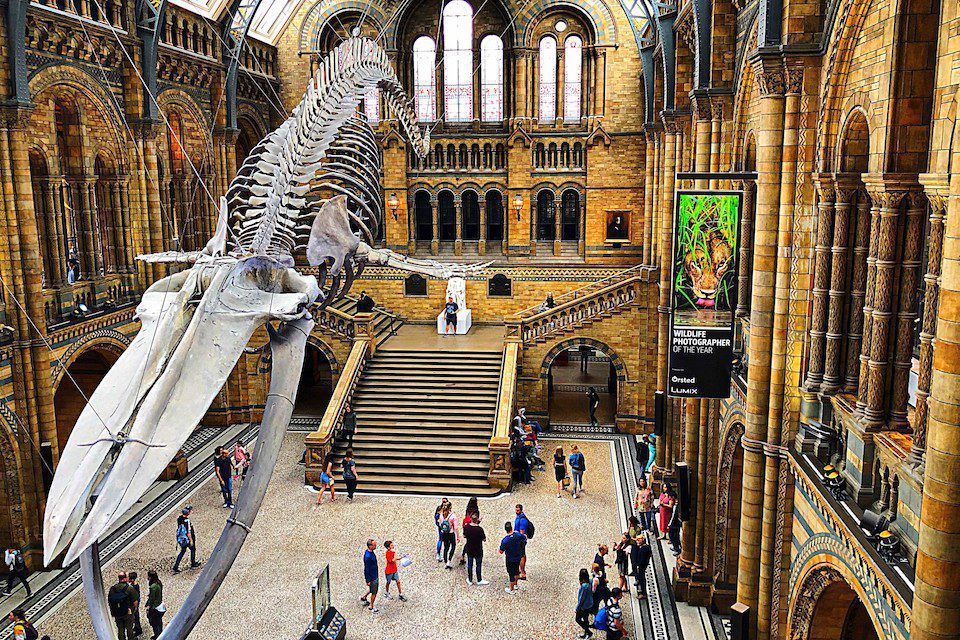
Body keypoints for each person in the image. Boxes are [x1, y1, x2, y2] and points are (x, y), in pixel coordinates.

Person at [107, 572, 137, 640]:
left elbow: (109, 600)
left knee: (120, 629)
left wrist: (113, 611)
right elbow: (135, 601)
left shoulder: (113, 588)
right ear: (125, 578)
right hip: (128, 612)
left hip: (117, 613)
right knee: (129, 628)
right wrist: (134, 609)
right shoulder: (130, 588)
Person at [498, 521, 526, 594]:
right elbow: (524, 538)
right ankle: (516, 584)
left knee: (511, 574)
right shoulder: (517, 534)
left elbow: (501, 551)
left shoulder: (505, 540)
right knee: (516, 571)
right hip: (518, 557)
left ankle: (511, 589)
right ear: (511, 528)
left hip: (510, 559)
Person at [172, 505, 200, 573]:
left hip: (182, 539)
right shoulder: (187, 521)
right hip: (187, 539)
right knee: (193, 549)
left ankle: (176, 566)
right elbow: (188, 532)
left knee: (182, 551)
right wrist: (191, 540)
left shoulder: (179, 519)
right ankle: (193, 563)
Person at [463, 514, 488, 586]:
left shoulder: (467, 527)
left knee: (470, 565)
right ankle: (479, 579)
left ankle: (470, 579)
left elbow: (465, 536)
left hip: (469, 549)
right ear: (477, 520)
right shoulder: (480, 529)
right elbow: (484, 539)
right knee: (478, 565)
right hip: (478, 549)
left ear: (471, 519)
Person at [360, 539, 379, 613]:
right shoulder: (368, 557)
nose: (375, 546)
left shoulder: (370, 552)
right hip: (373, 577)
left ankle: (364, 597)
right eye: (374, 545)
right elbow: (366, 569)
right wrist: (368, 580)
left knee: (372, 589)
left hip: (374, 574)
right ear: (370, 546)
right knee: (374, 592)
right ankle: (371, 606)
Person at [460, 497, 481, 565]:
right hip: (473, 528)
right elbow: (475, 522)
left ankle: (463, 555)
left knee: (468, 542)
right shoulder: (476, 511)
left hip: (466, 527)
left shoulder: (468, 509)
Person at [145, 570, 165, 639]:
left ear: (150, 577)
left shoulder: (153, 586)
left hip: (155, 607)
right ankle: (160, 633)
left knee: (154, 623)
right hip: (160, 604)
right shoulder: (159, 583)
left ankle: (157, 636)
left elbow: (152, 599)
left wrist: (148, 607)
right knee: (159, 621)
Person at [513, 504, 531, 579]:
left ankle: (523, 573)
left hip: (520, 541)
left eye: (518, 510)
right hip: (519, 540)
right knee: (521, 555)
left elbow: (521, 533)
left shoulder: (522, 520)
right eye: (516, 510)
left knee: (521, 556)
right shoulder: (519, 516)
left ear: (521, 510)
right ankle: (522, 570)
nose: (516, 511)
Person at [575, 568, 594, 639]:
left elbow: (581, 599)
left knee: (578, 619)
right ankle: (587, 631)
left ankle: (588, 631)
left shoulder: (584, 586)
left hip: (584, 606)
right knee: (585, 619)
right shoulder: (590, 581)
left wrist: (577, 608)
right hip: (589, 603)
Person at [439, 503, 459, 568]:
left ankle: (445, 560)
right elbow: (456, 528)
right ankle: (449, 561)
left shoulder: (441, 515)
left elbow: (440, 524)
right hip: (451, 533)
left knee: (446, 547)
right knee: (453, 546)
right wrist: (458, 537)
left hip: (444, 533)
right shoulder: (453, 516)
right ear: (450, 508)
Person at [633, 533, 652, 599]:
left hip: (642, 566)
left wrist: (638, 565)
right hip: (642, 565)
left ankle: (644, 593)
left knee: (642, 579)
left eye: (638, 540)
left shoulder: (644, 549)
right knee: (641, 578)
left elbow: (642, 559)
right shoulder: (645, 547)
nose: (637, 541)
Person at [433, 497, 451, 561]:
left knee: (440, 540)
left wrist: (438, 525)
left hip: (440, 527)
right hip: (446, 528)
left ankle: (438, 554)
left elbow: (435, 518)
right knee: (446, 541)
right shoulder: (447, 510)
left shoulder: (438, 508)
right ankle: (445, 555)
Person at [128, 571, 143, 637]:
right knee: (134, 617)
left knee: (135, 617)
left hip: (134, 604)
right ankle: (137, 627)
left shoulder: (134, 587)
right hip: (134, 603)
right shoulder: (133, 585)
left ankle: (138, 630)